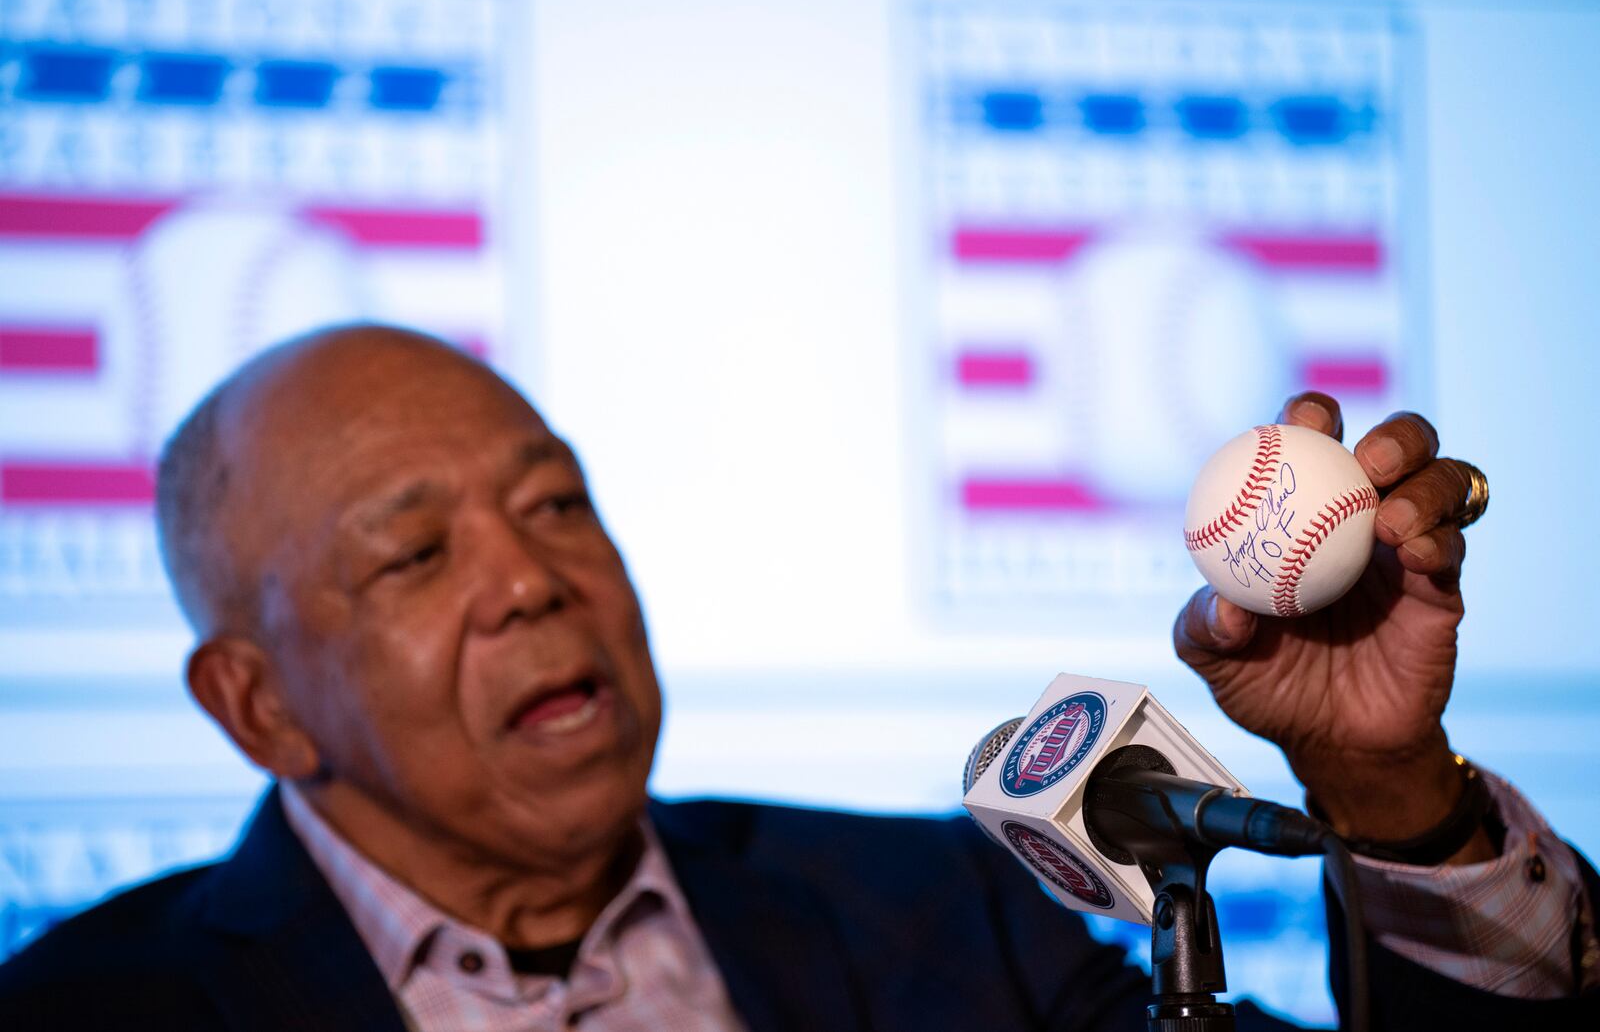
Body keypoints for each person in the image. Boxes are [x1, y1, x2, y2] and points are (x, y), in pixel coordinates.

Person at [0, 324, 1593, 1031]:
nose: (535, 576)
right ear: (256, 703)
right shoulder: (92, 1010)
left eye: (558, 502)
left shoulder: (940, 919)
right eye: (416, 555)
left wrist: (1387, 783)